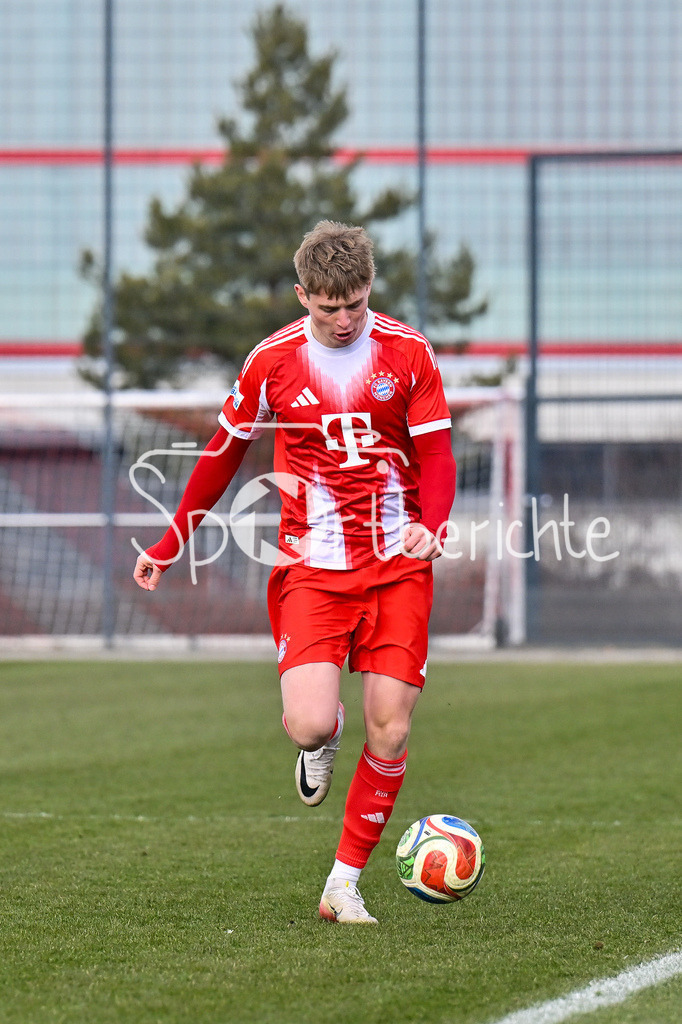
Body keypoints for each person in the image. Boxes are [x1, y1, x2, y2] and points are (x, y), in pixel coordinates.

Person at [133, 221, 457, 924]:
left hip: (399, 562)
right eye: (327, 307)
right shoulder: (271, 361)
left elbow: (436, 454)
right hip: (311, 565)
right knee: (310, 725)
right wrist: (170, 541)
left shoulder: (408, 352)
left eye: (355, 304)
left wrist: (433, 522)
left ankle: (344, 884)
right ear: (302, 294)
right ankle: (323, 735)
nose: (343, 320)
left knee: (392, 729)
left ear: (370, 287)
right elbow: (221, 454)